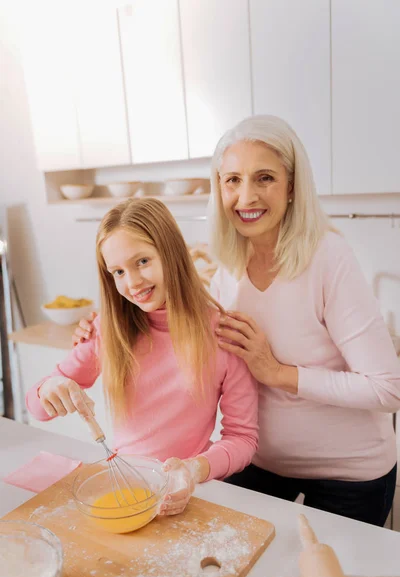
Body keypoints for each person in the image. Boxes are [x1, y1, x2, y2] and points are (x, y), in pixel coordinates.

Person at [73, 115, 400, 527]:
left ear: (292, 185)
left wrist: (279, 373)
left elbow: (390, 389)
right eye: (232, 180)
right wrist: (102, 324)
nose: (246, 197)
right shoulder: (229, 261)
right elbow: (186, 319)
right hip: (259, 465)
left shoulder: (329, 258)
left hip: (348, 476)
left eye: (264, 178)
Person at [27, 197, 258, 517]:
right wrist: (50, 387)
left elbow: (243, 439)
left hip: (193, 493)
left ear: (171, 253)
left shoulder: (222, 335)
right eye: (118, 271)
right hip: (125, 489)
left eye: (142, 262)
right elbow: (36, 409)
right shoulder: (107, 330)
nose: (132, 282)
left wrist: (194, 470)